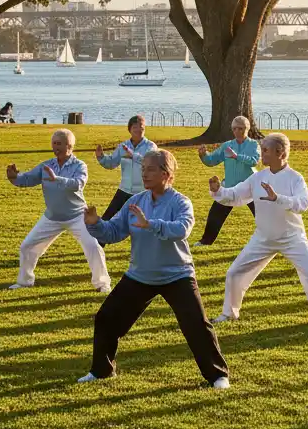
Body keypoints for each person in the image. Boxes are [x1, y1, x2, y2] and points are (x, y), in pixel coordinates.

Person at [80, 149, 230, 387]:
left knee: (197, 326)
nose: (145, 174)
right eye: (143, 169)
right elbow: (113, 232)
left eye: (150, 169)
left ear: (166, 173)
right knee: (106, 318)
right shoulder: (135, 201)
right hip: (140, 275)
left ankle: (218, 376)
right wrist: (95, 223)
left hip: (177, 274)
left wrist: (150, 224)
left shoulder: (181, 202)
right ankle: (101, 371)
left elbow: (182, 229)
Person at [210, 133, 308, 325]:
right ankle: (229, 313)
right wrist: (218, 190)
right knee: (234, 273)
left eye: (265, 150)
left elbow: (303, 204)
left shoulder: (295, 178)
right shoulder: (258, 177)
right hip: (263, 238)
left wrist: (278, 198)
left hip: (292, 238)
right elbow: (236, 195)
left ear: (280, 153)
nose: (261, 153)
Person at [6, 129, 111, 294]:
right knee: (27, 246)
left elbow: (78, 183)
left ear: (69, 146)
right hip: (52, 217)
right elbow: (27, 179)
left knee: (93, 246)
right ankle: (24, 282)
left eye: (59, 143)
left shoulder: (79, 165)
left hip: (78, 216)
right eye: (54, 143)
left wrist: (57, 179)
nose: (55, 146)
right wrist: (13, 178)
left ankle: (102, 284)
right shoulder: (46, 165)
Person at [194, 116, 260, 245]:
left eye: (240, 128)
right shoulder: (227, 146)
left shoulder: (253, 145)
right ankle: (206, 241)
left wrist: (237, 156)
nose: (237, 131)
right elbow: (212, 160)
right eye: (234, 129)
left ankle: (271, 241)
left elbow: (254, 160)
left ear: (247, 129)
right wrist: (203, 155)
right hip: (230, 187)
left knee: (262, 217)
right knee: (215, 214)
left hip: (250, 188)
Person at [94, 115, 157, 220]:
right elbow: (111, 163)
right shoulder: (123, 146)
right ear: (130, 130)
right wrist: (101, 157)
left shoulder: (151, 146)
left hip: (142, 192)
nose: (138, 130)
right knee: (107, 220)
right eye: (135, 127)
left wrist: (133, 156)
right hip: (124, 190)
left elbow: (149, 163)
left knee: (143, 222)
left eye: (141, 127)